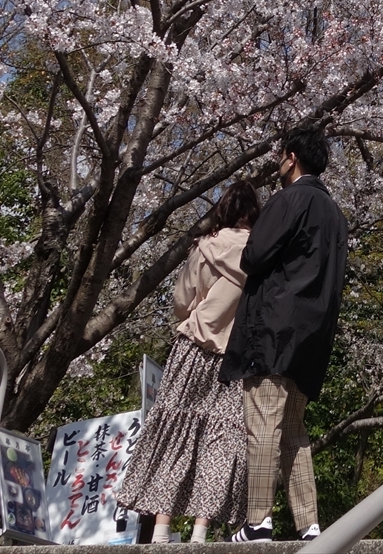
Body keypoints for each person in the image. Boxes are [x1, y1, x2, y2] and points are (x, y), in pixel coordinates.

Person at [220, 125, 349, 543]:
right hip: (313, 336)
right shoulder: (334, 214)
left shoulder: (288, 199)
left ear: (291, 157)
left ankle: (257, 520)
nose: (278, 162)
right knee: (294, 430)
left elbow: (254, 256)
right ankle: (309, 525)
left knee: (263, 423)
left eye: (281, 155)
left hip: (275, 328)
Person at [118, 181, 262, 543]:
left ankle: (162, 528)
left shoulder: (207, 246)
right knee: (222, 439)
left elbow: (182, 300)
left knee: (176, 428)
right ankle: (200, 532)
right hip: (235, 356)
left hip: (194, 347)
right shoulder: (262, 255)